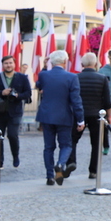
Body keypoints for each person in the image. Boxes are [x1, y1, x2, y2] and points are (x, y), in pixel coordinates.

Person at [36, 51, 85, 186]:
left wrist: (45, 66)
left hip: (46, 116)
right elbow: (76, 100)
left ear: (51, 62)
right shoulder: (71, 77)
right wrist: (80, 119)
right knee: (66, 145)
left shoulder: (44, 75)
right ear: (65, 61)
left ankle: (49, 176)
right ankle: (60, 164)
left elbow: (39, 84)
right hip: (64, 116)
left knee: (48, 147)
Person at [67, 53, 111, 180]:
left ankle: (71, 161)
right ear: (96, 64)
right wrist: (108, 116)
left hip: (78, 114)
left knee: (72, 140)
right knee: (96, 143)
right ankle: (93, 171)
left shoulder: (75, 77)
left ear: (82, 65)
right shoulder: (102, 78)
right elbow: (107, 101)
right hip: (97, 115)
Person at [0, 55, 33, 168]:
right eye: (6, 63)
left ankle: (15, 156)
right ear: (3, 65)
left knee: (13, 135)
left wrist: (17, 95)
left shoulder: (22, 77)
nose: (8, 65)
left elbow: (28, 93)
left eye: (10, 63)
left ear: (14, 64)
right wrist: (1, 92)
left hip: (15, 111)